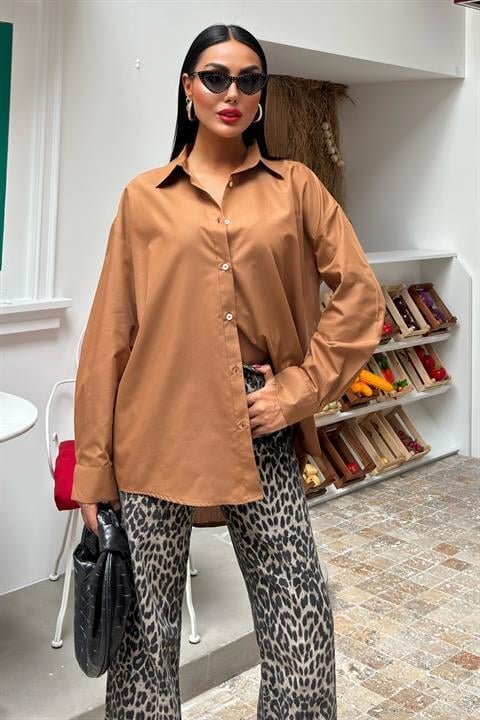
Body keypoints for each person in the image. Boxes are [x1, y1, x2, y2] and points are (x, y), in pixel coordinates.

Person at [72, 22, 386, 720]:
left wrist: (297, 392)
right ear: (188, 88)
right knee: (144, 643)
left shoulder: (296, 188)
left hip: (259, 420)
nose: (232, 92)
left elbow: (361, 297)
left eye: (249, 80)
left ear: (261, 95)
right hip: (153, 428)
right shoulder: (144, 197)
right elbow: (108, 338)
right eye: (215, 77)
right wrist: (93, 468)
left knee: (301, 626)